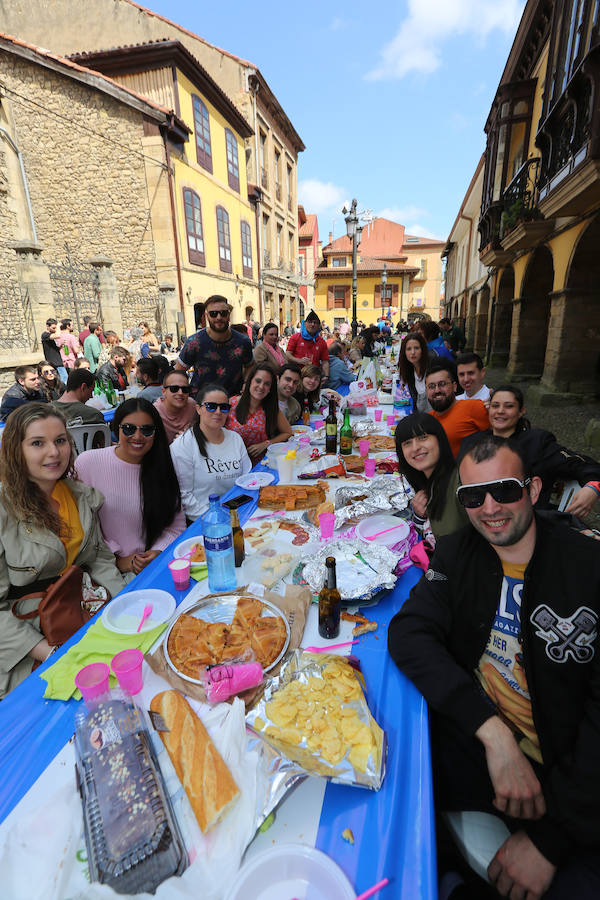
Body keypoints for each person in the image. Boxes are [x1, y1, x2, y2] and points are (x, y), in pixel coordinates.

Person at [388, 435, 600, 900]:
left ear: (535, 489)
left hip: (571, 778)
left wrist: (551, 840)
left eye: (505, 490)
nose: (490, 508)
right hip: (479, 752)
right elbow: (409, 633)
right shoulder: (459, 552)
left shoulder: (588, 567)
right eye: (473, 496)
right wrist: (492, 732)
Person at [0, 404, 125, 697]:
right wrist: (50, 652)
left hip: (82, 610)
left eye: (60, 440)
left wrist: (124, 604)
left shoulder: (80, 496)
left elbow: (100, 560)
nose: (54, 452)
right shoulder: (4, 510)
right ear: (15, 451)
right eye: (37, 443)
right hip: (29, 639)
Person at [75, 398, 185, 578]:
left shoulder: (164, 468)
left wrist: (158, 551)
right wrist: (119, 560)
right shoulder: (88, 463)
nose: (137, 436)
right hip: (105, 571)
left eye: (147, 430)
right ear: (116, 428)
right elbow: (81, 526)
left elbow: (176, 526)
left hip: (153, 565)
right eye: (129, 428)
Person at [461, 385, 600, 516]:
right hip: (480, 515)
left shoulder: (537, 443)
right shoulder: (472, 442)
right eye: (495, 406)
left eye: (509, 406)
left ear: (521, 411)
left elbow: (583, 464)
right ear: (489, 409)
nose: (500, 411)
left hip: (528, 521)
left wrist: (593, 487)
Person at [171, 384, 251, 520]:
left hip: (239, 512)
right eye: (211, 406)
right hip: (203, 519)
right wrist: (215, 519)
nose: (218, 412)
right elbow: (184, 495)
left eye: (224, 407)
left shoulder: (235, 438)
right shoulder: (184, 444)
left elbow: (247, 479)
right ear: (198, 409)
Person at [395, 412, 469, 542]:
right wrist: (418, 517)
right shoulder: (429, 484)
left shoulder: (461, 485)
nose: (415, 447)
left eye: (422, 437)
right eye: (407, 443)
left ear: (439, 439)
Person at [176, 295, 253, 397]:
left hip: (233, 402)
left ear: (229, 314)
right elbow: (178, 372)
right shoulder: (194, 342)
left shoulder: (243, 342)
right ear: (206, 316)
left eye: (223, 313)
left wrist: (246, 384)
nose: (219, 317)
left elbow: (250, 366)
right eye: (213, 314)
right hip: (201, 404)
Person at [226, 364, 293, 461]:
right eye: (258, 381)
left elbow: (288, 432)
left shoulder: (270, 408)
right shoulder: (230, 404)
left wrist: (266, 443)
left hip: (259, 466)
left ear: (270, 388)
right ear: (250, 382)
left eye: (267, 384)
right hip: (231, 464)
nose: (261, 387)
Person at [426, 360, 489, 457]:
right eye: (431, 386)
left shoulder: (474, 407)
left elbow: (501, 437)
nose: (437, 390)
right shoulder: (427, 420)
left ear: (454, 386)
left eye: (442, 384)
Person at [154, 368, 197, 443]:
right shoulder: (155, 413)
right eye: (174, 388)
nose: (180, 393)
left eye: (185, 389)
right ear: (164, 392)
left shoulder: (192, 405)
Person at [285, 310, 329, 379]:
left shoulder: (321, 342)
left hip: (313, 377)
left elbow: (325, 362)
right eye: (310, 322)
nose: (312, 324)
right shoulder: (295, 337)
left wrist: (326, 376)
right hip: (297, 375)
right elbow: (287, 355)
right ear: (305, 323)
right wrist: (299, 360)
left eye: (315, 323)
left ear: (318, 326)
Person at [398, 332, 431, 413]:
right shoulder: (410, 371)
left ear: (422, 349)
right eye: (409, 349)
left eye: (416, 348)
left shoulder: (431, 369)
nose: (412, 352)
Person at [41, 318, 68, 384]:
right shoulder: (45, 335)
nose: (55, 330)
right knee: (65, 380)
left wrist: (60, 346)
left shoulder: (50, 336)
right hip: (55, 363)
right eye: (53, 328)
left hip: (57, 362)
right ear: (47, 326)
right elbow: (58, 335)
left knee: (60, 381)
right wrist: (58, 326)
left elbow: (52, 349)